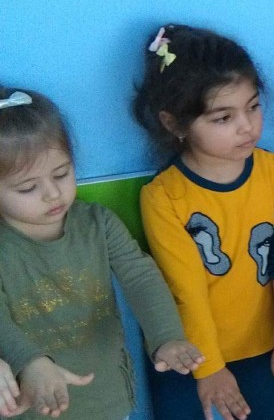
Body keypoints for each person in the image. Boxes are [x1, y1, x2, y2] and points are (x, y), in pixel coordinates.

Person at [133, 25, 274, 420]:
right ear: (174, 124)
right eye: (223, 117)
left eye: (253, 106)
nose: (247, 126)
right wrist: (210, 368)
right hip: (187, 355)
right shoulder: (163, 196)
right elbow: (185, 290)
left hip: (260, 347)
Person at [0, 86, 202, 419]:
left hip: (107, 397)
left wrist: (166, 336)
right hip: (33, 407)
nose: (52, 194)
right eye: (28, 187)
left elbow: (141, 279)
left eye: (62, 174)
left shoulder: (98, 223)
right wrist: (30, 362)